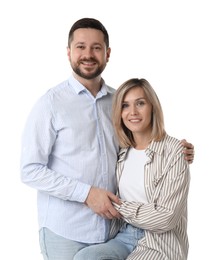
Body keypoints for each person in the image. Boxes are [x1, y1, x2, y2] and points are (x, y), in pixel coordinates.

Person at [20, 18, 194, 260]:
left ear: (107, 53)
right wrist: (86, 193)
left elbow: (140, 144)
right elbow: (30, 169)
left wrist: (176, 150)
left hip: (113, 231)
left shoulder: (118, 102)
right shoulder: (50, 104)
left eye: (96, 47)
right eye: (81, 47)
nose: (88, 54)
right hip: (65, 231)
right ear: (69, 52)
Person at [73, 78, 191, 260]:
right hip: (124, 236)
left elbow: (165, 217)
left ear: (153, 107)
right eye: (125, 106)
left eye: (140, 103)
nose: (133, 112)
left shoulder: (174, 151)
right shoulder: (122, 151)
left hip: (158, 242)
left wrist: (117, 206)